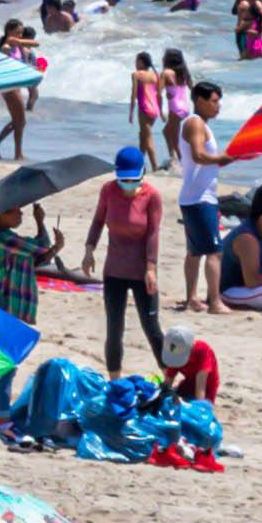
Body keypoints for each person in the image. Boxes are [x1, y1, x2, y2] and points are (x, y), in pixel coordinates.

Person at [91, 149, 170, 376]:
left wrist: (151, 268)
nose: (127, 183)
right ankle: (114, 380)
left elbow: (153, 233)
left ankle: (169, 379)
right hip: (114, 270)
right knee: (114, 329)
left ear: (141, 174)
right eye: (122, 179)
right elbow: (98, 221)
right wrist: (89, 249)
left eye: (132, 179)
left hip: (142, 272)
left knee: (152, 328)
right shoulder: (108, 190)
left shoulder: (152, 196)